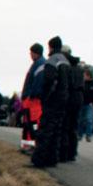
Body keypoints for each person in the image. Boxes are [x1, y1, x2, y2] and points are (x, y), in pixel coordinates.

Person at [30, 37, 70, 168]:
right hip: (63, 99)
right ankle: (53, 158)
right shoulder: (66, 61)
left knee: (45, 129)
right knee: (56, 130)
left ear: (50, 47)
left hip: (52, 100)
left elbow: (48, 81)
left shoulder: (52, 61)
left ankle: (39, 159)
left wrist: (44, 96)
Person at [58, 47, 85, 163]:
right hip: (78, 98)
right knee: (73, 126)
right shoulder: (79, 68)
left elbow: (66, 84)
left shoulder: (66, 65)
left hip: (70, 97)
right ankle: (72, 153)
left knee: (65, 125)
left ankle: (63, 153)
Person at [20, 42, 46, 151]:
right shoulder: (37, 64)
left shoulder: (40, 65)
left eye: (31, 53)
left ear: (36, 53)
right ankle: (27, 144)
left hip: (33, 100)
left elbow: (37, 83)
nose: (30, 55)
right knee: (28, 123)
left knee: (33, 123)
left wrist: (30, 95)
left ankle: (32, 145)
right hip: (29, 99)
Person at [78, 67, 93, 143]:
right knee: (80, 120)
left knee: (89, 120)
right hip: (81, 104)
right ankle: (79, 134)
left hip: (89, 105)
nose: (84, 76)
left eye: (85, 75)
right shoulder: (82, 84)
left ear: (89, 76)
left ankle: (88, 135)